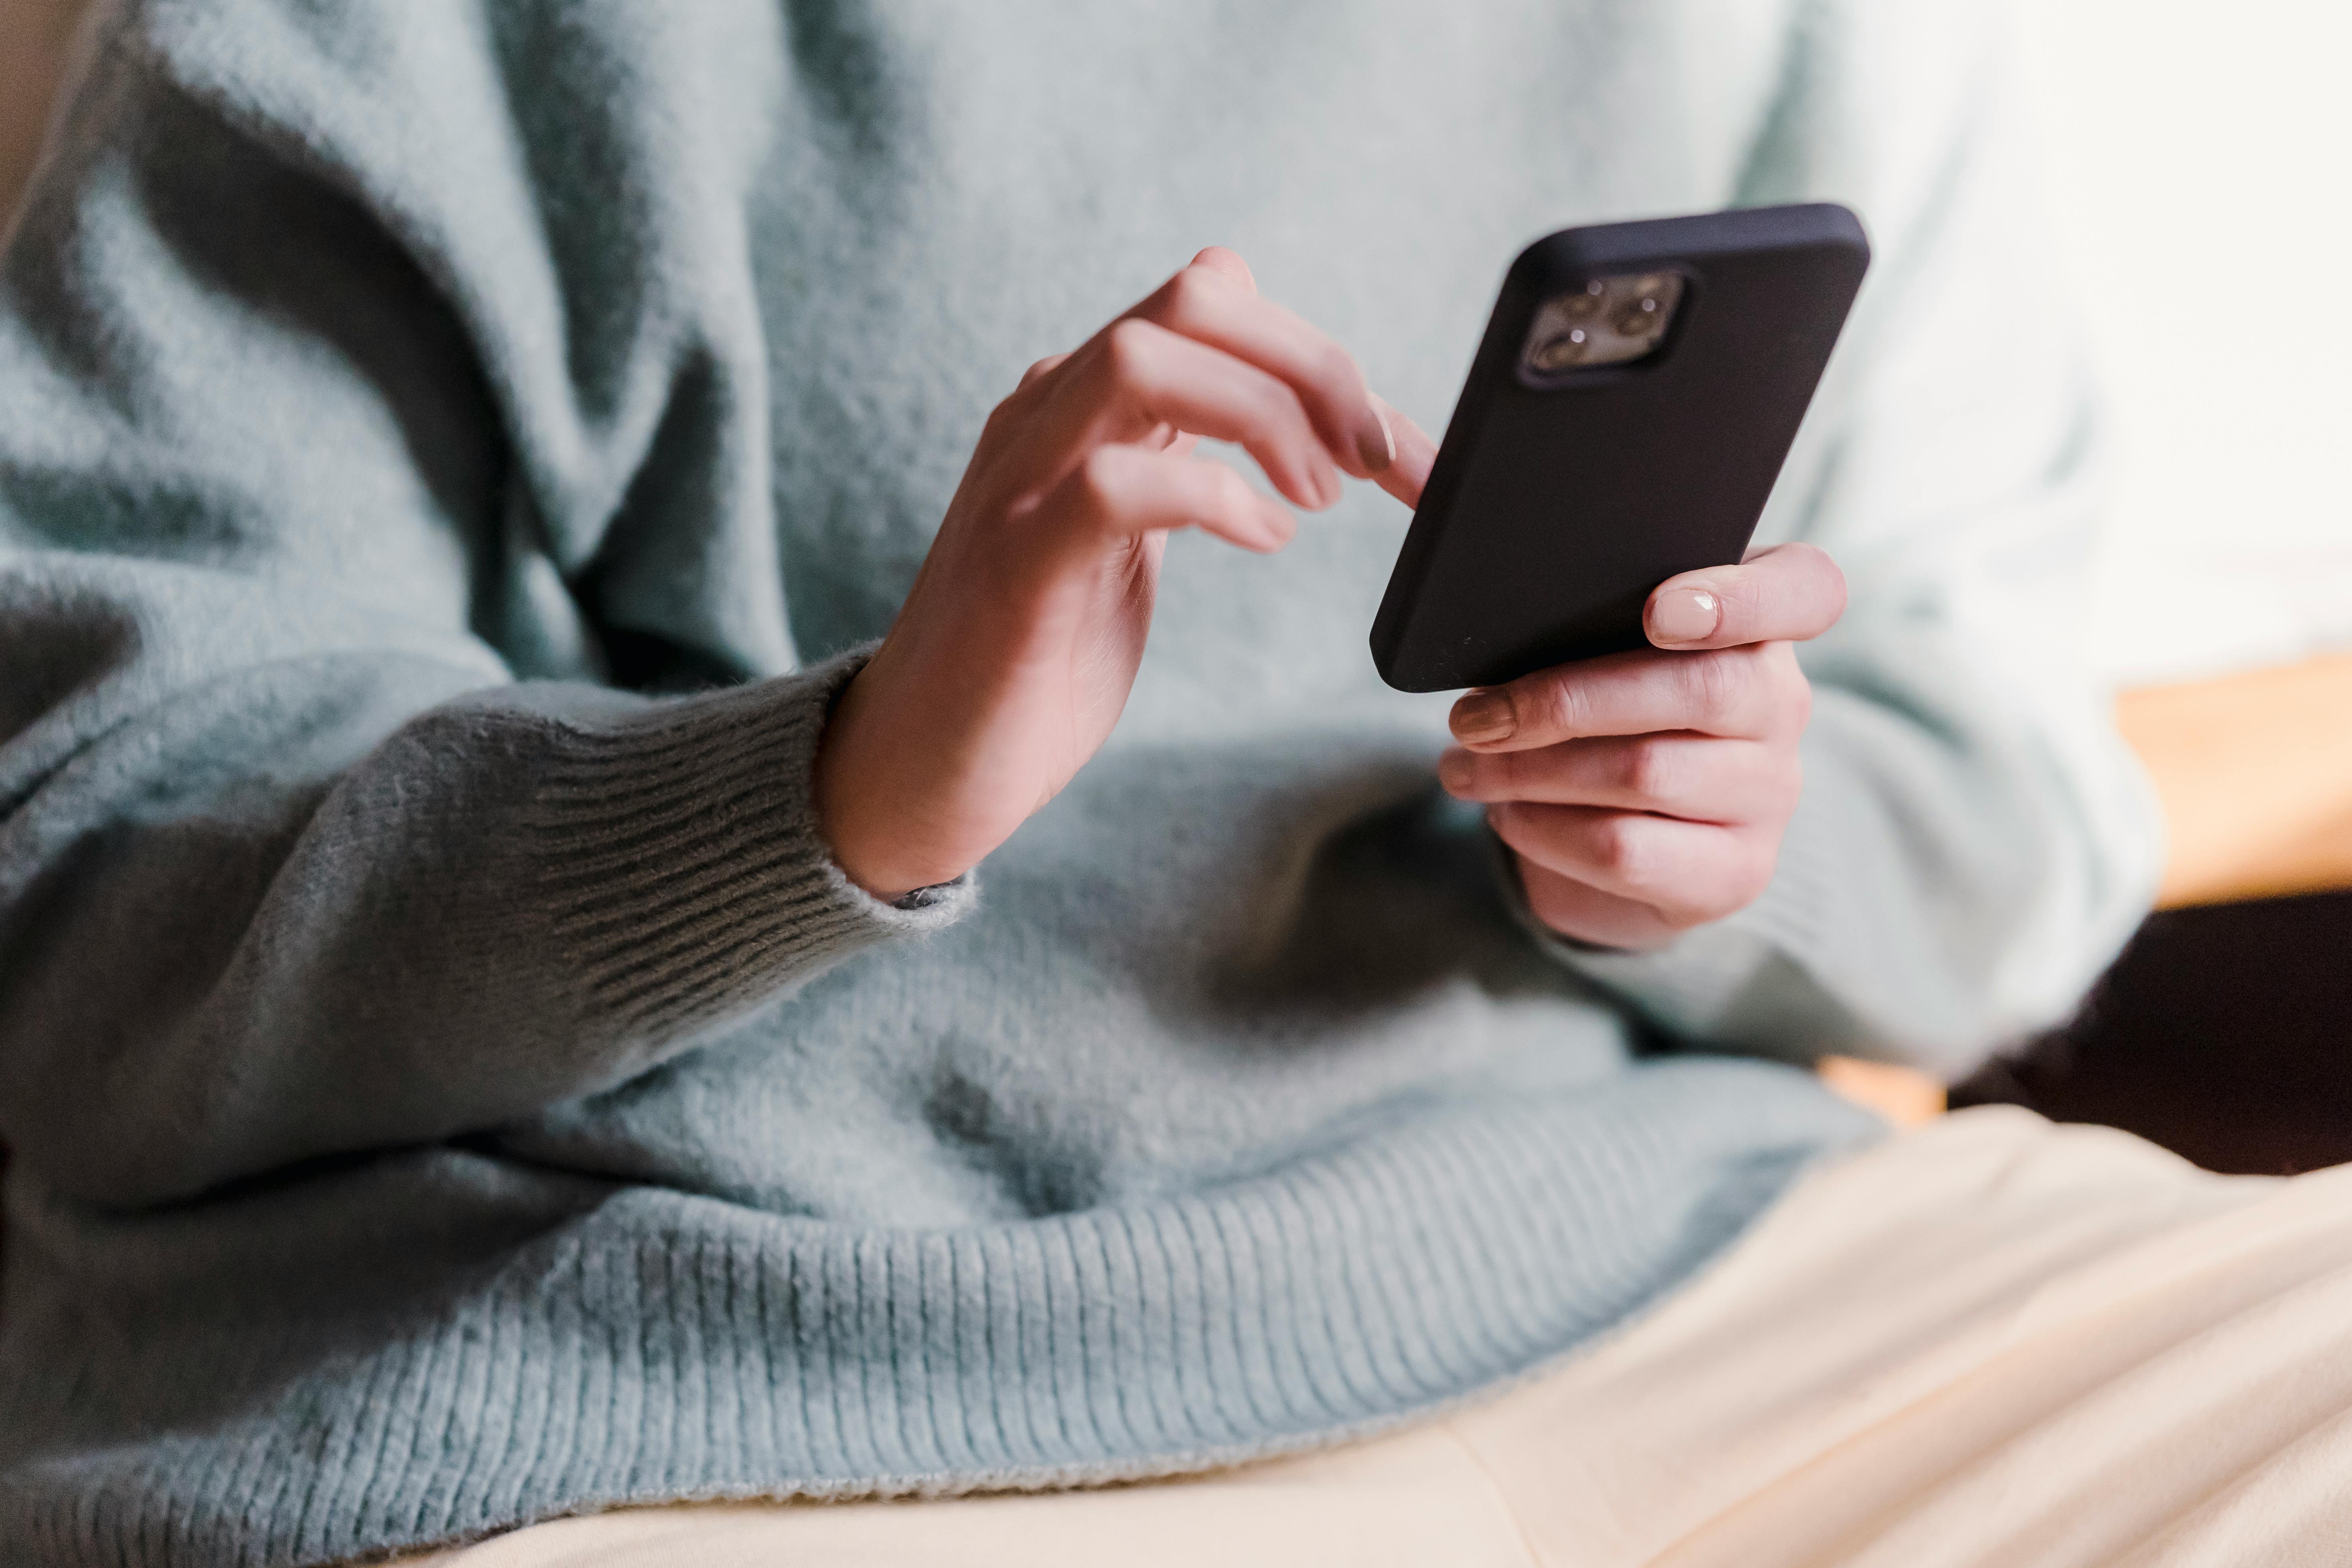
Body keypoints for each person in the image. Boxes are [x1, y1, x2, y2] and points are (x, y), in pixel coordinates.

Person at [8, 3, 2349, 1566]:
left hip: (1662, 1267)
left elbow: (2012, 824)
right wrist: (834, 789)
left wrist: (1729, 842)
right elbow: (87, 915)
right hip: (678, 1385)